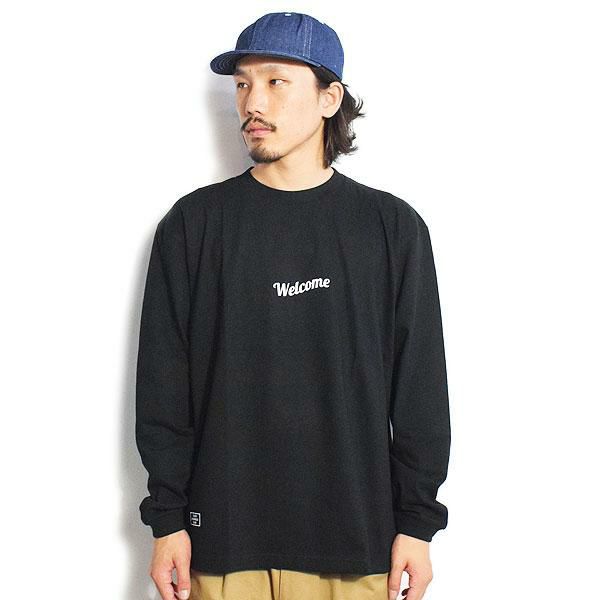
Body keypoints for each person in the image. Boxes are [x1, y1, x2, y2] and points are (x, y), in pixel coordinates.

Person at [135, 11, 451, 600]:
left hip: (356, 544)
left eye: (276, 81)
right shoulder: (194, 225)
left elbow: (420, 390)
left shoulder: (390, 228)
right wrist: (167, 519)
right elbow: (163, 385)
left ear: (330, 98)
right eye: (242, 84)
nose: (253, 102)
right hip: (220, 545)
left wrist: (418, 523)